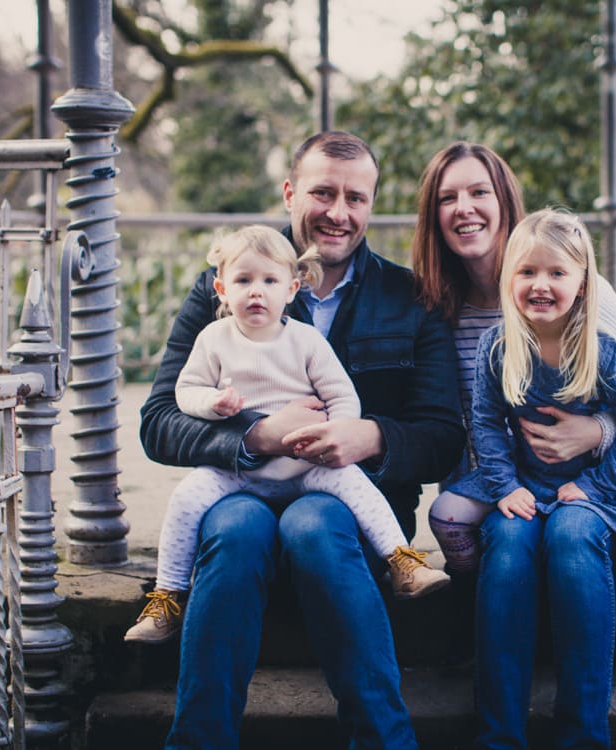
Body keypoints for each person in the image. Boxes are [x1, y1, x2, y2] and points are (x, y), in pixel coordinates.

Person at [138, 132, 465, 748]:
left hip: (351, 503)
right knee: (235, 531)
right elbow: (158, 419)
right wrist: (255, 436)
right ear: (290, 193)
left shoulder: (411, 299)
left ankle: (384, 741)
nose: (338, 213)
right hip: (241, 489)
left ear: (370, 205)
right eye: (322, 192)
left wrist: (369, 437)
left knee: (313, 523)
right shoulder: (230, 285)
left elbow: (444, 437)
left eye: (355, 198)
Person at [447, 208, 616, 748]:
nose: (541, 285)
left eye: (557, 274)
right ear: (507, 278)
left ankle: (584, 734)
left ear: (584, 284)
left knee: (577, 532)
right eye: (527, 273)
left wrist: (597, 485)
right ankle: (498, 735)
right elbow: (485, 423)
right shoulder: (500, 346)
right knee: (489, 533)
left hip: (593, 479)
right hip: (519, 477)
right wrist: (502, 485)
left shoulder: (600, 349)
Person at [125, 226, 450, 644]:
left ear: (292, 289)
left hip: (304, 463)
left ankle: (403, 562)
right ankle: (168, 596)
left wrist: (338, 434)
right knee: (186, 497)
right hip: (239, 472)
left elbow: (341, 394)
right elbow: (183, 393)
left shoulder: (306, 340)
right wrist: (214, 405)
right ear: (221, 289)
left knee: (355, 483)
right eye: (243, 281)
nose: (256, 292)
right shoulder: (213, 339)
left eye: (269, 281)